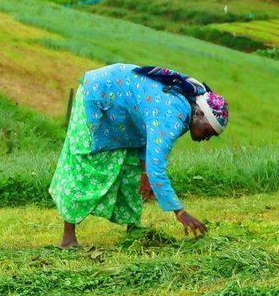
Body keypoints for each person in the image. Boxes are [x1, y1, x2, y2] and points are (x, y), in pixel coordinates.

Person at [49, 64, 229, 248]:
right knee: (85, 164)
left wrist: (144, 174)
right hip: (98, 97)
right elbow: (157, 168)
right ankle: (68, 238)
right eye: (208, 131)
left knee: (130, 167)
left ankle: (133, 230)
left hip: (121, 111)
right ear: (199, 114)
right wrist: (180, 212)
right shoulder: (173, 115)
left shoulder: (184, 112)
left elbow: (150, 138)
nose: (206, 138)